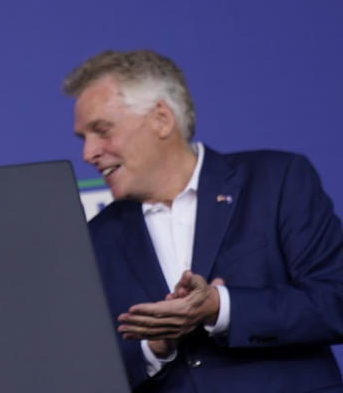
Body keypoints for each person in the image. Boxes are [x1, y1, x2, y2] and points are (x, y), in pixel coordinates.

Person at [63, 49, 343, 392]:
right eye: (84, 138)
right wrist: (154, 347)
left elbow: (335, 300)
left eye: (102, 130)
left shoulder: (276, 180)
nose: (88, 153)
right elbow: (87, 366)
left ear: (162, 119)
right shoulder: (96, 236)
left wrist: (220, 307)